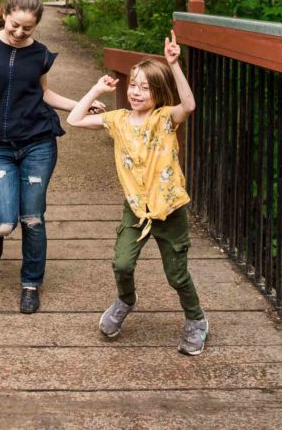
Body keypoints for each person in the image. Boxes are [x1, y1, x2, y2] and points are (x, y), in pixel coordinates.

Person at [0, 0, 103, 314]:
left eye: (26, 29)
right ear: (6, 14)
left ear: (36, 26)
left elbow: (44, 94)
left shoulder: (40, 54)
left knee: (32, 218)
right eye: (14, 26)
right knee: (5, 222)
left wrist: (82, 104)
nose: (18, 33)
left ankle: (31, 283)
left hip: (39, 142)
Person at [66, 31, 209, 355]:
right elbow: (74, 119)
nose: (136, 92)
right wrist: (97, 89)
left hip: (169, 209)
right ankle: (126, 299)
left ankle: (196, 320)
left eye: (145, 87)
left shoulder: (165, 119)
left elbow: (188, 104)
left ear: (158, 92)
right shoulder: (117, 120)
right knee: (122, 264)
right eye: (133, 85)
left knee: (176, 276)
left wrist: (173, 65)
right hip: (136, 208)